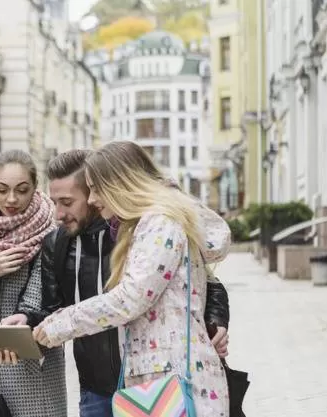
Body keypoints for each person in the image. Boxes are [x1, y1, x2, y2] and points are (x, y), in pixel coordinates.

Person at [26, 149, 231, 417]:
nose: (93, 198)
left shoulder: (160, 224)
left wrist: (60, 324)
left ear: (121, 184)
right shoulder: (143, 226)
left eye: (95, 188)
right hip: (154, 384)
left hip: (175, 384)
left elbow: (130, 299)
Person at [0, 150, 67, 417]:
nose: (11, 199)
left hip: (32, 370)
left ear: (35, 189)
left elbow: (42, 301)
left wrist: (24, 323)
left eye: (22, 190)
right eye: (2, 189)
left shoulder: (51, 233)